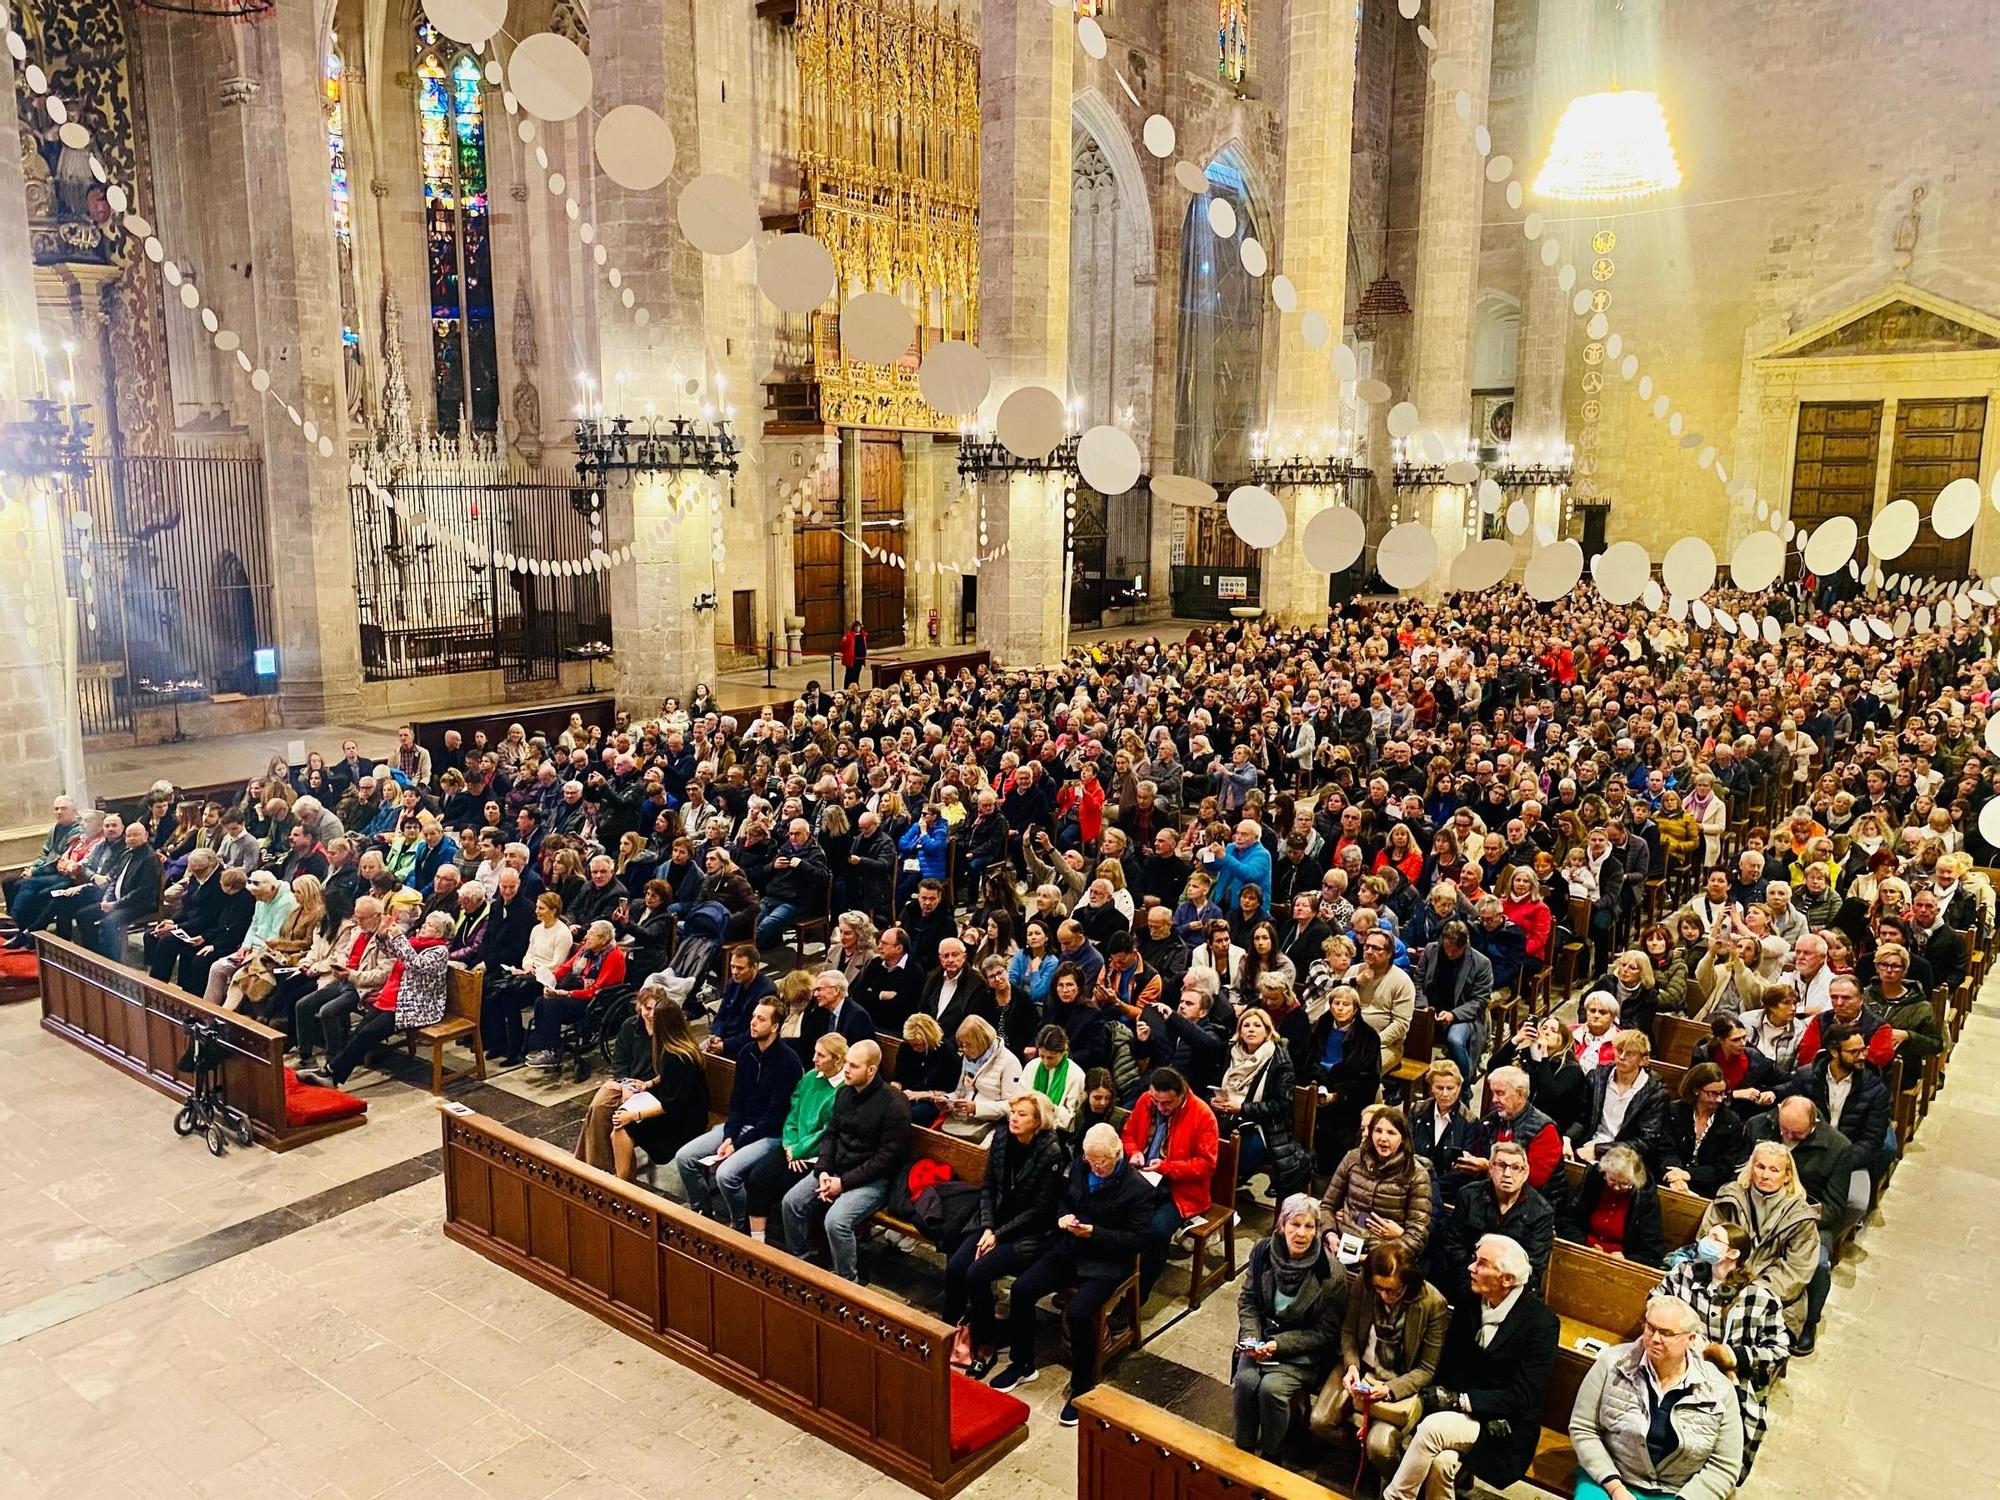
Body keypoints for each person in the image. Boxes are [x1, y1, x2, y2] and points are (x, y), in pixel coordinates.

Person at [989, 1121, 1157, 1429]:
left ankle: (1083, 1385)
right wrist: (1062, 1218)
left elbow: (1138, 1240)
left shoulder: (1139, 1190)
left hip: (1106, 1262)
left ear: (1117, 1153)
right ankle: (1022, 1362)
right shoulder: (1081, 1168)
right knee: (1023, 1290)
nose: (1095, 1166)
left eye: (1101, 1161)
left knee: (1079, 1313)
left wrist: (1096, 1233)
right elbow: (1064, 1199)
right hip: (1069, 1249)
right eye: (1090, 1160)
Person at [1379, 1234, 1558, 1500]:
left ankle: (1395, 1497)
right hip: (1464, 1412)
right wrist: (1460, 1401)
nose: (1471, 1267)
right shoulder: (1469, 1300)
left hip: (1505, 1426)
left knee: (1432, 1429)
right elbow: (1453, 1364)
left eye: (1482, 1264)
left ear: (1507, 1279)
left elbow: (1523, 1397)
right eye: (1475, 1260)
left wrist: (1463, 1401)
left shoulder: (1541, 1324)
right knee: (1442, 1462)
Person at [1568, 1293, 1744, 1500]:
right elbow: (1583, 1427)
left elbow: (1723, 1465)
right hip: (1610, 1479)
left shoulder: (1719, 1390)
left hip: (1679, 1491)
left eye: (1667, 1333)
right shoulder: (1611, 1364)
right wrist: (1616, 1489)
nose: (1655, 1339)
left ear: (1691, 1339)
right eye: (1650, 1328)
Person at [1655, 1221, 1789, 1479]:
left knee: (1722, 1430)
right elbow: (1655, 1303)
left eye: (1715, 1238)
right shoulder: (1683, 1274)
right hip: (1677, 1364)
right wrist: (1679, 1335)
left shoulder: (1759, 1298)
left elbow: (1779, 1349)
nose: (1706, 1240)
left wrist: (1731, 1355)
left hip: (1728, 1378)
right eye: (1707, 1235)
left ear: (1733, 1254)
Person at [948, 1092, 1068, 1379]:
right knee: (956, 1267)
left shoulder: (1052, 1152)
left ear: (1038, 1121)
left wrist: (998, 1235)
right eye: (1013, 1112)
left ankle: (984, 1344)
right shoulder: (1002, 1138)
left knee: (977, 1273)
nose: (1014, 1117)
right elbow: (987, 1186)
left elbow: (1040, 1211)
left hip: (1030, 1235)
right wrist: (988, 1227)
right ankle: (950, 1333)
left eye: (1022, 1114)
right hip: (995, 1226)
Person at [1310, 1239, 1451, 1476]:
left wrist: (1389, 1389)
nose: (1386, 1296)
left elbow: (1426, 1369)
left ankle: (1395, 1481)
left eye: (1394, 1290)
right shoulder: (1365, 1286)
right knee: (1320, 1420)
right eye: (1380, 1289)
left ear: (1408, 1282)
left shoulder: (1432, 1303)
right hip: (1362, 1367)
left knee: (1380, 1446)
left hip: (1400, 1378)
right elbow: (1348, 1331)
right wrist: (1352, 1365)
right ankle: (1358, 1457)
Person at [779, 1037, 910, 1282]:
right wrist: (824, 1170)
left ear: (871, 1070)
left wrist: (844, 1183)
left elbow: (886, 1159)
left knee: (836, 1222)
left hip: (873, 1180)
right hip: (836, 1169)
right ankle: (801, 1264)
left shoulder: (894, 1104)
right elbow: (831, 1134)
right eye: (846, 1063)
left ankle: (847, 1283)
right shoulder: (845, 1094)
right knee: (791, 1203)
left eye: (854, 1066)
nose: (846, 1070)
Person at [1231, 1194, 1347, 1462]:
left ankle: (1271, 1455)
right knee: (1246, 1382)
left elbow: (1326, 1332)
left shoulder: (1331, 1273)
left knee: (1271, 1389)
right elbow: (1248, 1300)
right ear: (1281, 1225)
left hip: (1300, 1352)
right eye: (1295, 1224)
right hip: (1260, 1342)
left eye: (1309, 1226)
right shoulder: (1262, 1252)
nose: (1301, 1233)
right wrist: (1252, 1338)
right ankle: (1242, 1452)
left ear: (1318, 1230)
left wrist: (1280, 1345)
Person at [675, 999, 806, 1232]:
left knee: (726, 1175)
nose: (753, 1022)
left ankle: (740, 1225)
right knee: (685, 1157)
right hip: (740, 1127)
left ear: (775, 1026)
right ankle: (702, 1213)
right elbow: (736, 1102)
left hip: (770, 1134)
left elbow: (775, 1116)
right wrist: (729, 1135)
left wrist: (736, 1143)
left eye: (761, 1019)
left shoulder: (789, 1062)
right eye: (754, 1016)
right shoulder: (747, 1053)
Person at [575, 986, 708, 1179]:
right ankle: (596, 1170)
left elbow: (672, 1101)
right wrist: (630, 1085)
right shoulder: (637, 1030)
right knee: (598, 1108)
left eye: (657, 1012)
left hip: (677, 1114)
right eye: (647, 1008)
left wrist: (633, 1114)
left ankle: (621, 1184)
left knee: (620, 1126)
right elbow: (622, 1062)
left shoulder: (676, 1054)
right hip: (636, 1086)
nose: (651, 1016)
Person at [1697, 1141, 1820, 1344]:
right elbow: (1707, 1238)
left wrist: (1751, 1291)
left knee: (1746, 1346)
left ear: (1787, 1176)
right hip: (1720, 1280)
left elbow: (1796, 1271)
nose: (1765, 1175)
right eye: (1760, 1167)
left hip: (1773, 1296)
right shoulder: (1729, 1197)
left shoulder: (1800, 1217)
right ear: (1751, 1167)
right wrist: (1725, 1279)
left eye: (1774, 1170)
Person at [1119, 1067, 1221, 1294]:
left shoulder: (1202, 1115)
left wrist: (1166, 1167)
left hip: (1179, 1190)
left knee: (1156, 1231)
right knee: (1113, 1210)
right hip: (1142, 1177)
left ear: (1182, 1094)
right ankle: (1115, 1279)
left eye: (1166, 1103)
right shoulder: (1147, 1101)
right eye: (1156, 1100)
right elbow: (1127, 1134)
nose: (1160, 1107)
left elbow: (1206, 1165)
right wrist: (1134, 1151)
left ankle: (1137, 1296)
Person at [742, 1032, 847, 1243]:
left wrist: (801, 1150)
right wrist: (791, 1145)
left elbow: (829, 1131)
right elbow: (793, 1113)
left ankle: (796, 1250)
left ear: (837, 1060)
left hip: (816, 1154)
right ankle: (756, 1241)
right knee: (758, 1176)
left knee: (785, 1187)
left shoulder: (843, 1089)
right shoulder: (810, 1077)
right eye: (815, 1053)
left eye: (821, 1055)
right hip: (793, 1147)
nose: (814, 1059)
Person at [1210, 1006, 1309, 1197]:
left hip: (1265, 1127)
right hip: (1226, 1116)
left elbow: (1282, 1105)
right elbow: (1213, 1083)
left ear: (1267, 1031)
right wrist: (1213, 1101)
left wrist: (1243, 1109)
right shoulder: (1231, 1052)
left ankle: (1222, 1197)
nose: (1251, 1029)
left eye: (1257, 1025)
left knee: (1241, 1152)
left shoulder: (1279, 1060)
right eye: (1246, 1025)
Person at [1435, 1143, 1555, 1297]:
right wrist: (1475, 1278)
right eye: (1501, 1165)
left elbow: (1534, 1266)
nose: (1507, 1174)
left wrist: (1496, 1285)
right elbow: (1454, 1245)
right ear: (1490, 1168)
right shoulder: (1469, 1196)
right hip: (1468, 1281)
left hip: (1512, 1290)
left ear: (1525, 1173)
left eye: (1515, 1168)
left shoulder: (1541, 1212)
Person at [1318, 1104, 1433, 1262]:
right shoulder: (1353, 1158)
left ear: (1403, 1138)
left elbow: (1416, 1238)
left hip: (1385, 1256)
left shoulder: (1417, 1175)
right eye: (1378, 1131)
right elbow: (1327, 1206)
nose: (1383, 1138)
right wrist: (1329, 1234)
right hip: (1341, 1244)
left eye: (1391, 1133)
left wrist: (1372, 1257)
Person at [523, 919, 628, 1070]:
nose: (586, 937)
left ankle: (552, 1051)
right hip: (579, 991)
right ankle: (545, 1045)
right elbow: (566, 967)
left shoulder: (614, 956)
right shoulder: (586, 949)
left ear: (604, 939)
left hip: (596, 1001)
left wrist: (567, 994)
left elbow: (595, 990)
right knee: (541, 1000)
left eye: (592, 934)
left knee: (553, 1004)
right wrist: (550, 982)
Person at [1566, 1029, 1671, 1171]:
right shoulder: (1597, 1078)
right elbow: (1582, 1118)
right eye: (1619, 1050)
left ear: (1643, 1060)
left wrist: (1599, 1150)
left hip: (1626, 1157)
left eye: (1629, 1053)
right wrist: (1567, 1138)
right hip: (1589, 1145)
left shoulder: (1655, 1093)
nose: (1621, 1057)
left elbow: (1646, 1141)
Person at [1307, 983, 1384, 1172]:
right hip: (1315, 1090)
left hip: (1348, 1100)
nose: (1340, 1008)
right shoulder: (1319, 1026)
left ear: (1355, 1009)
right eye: (1336, 1003)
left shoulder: (1368, 1037)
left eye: (1346, 1004)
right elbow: (1306, 1060)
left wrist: (1337, 1095)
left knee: (1334, 1136)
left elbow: (1368, 1079)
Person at [1562, 1145, 1667, 1266]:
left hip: (1619, 1261)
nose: (1616, 1188)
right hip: (1584, 1249)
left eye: (1624, 1184)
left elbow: (1652, 1249)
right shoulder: (1594, 1179)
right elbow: (1568, 1219)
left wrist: (1626, 1258)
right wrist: (1584, 1246)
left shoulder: (1644, 1196)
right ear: (1605, 1172)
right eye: (1612, 1180)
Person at [1661, 1063, 1751, 1197]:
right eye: (1713, 1094)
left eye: (1723, 1093)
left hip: (1707, 1188)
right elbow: (1665, 1149)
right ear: (1696, 1090)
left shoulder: (1731, 1122)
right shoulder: (1674, 1112)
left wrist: (1687, 1175)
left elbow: (1723, 1168)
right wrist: (1675, 1175)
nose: (1719, 1099)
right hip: (1670, 1178)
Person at [838, 618, 867, 690]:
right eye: (856, 627)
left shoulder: (862, 635)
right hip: (852, 659)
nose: (857, 628)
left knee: (857, 674)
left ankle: (856, 686)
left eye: (859, 627)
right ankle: (847, 687)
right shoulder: (849, 636)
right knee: (849, 674)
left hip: (860, 659)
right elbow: (842, 645)